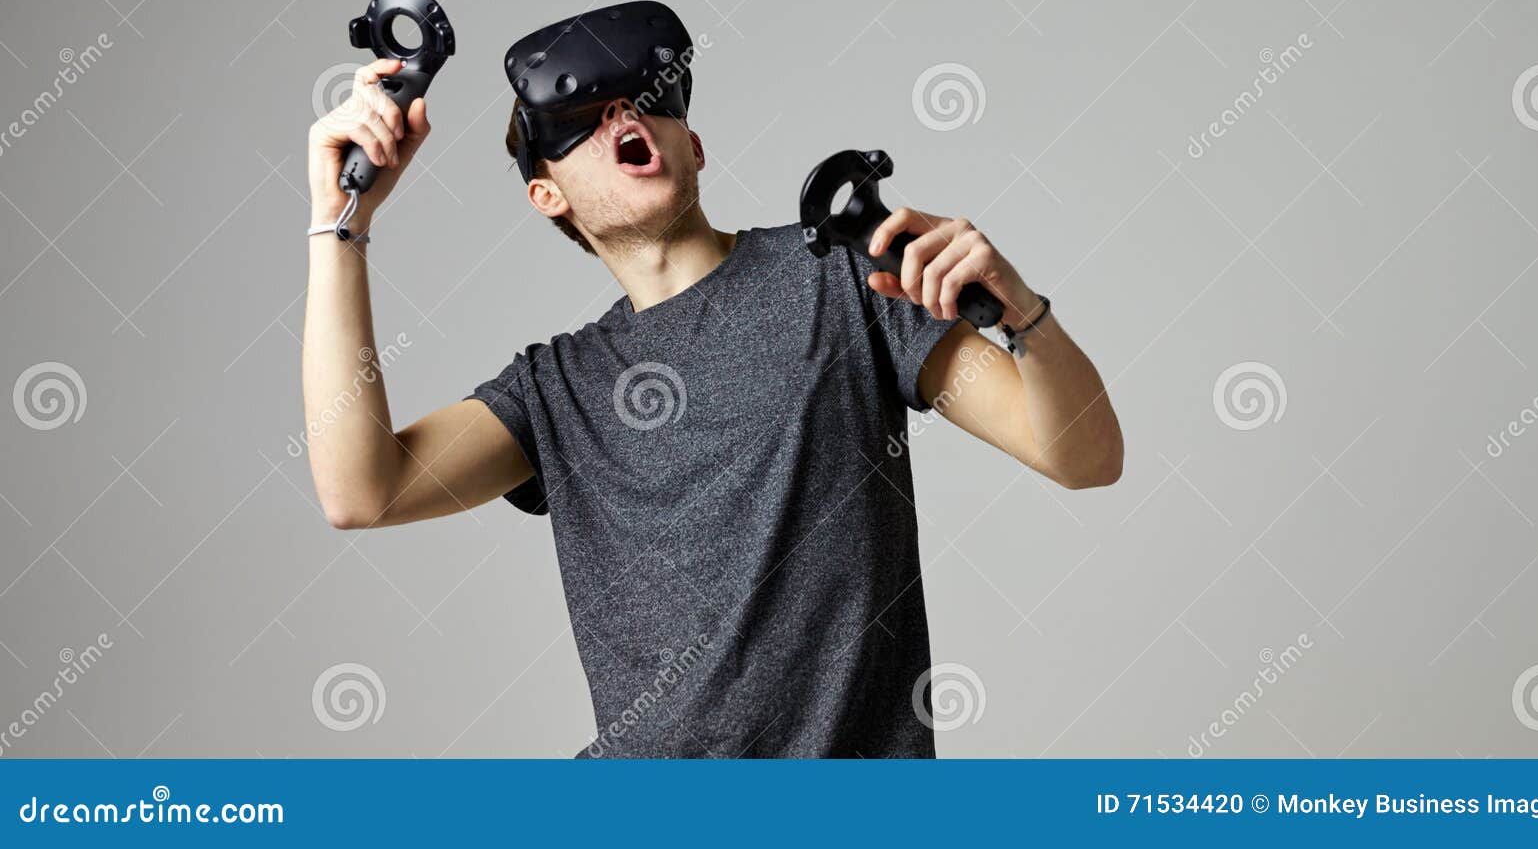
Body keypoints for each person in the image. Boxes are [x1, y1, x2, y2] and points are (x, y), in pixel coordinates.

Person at [301, 37, 1123, 758]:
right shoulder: (556, 390)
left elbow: (1083, 455)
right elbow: (359, 490)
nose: (621, 113)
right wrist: (340, 222)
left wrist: (1026, 316)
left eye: (643, 100)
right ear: (546, 194)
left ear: (691, 143)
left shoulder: (846, 280)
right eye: (579, 118)